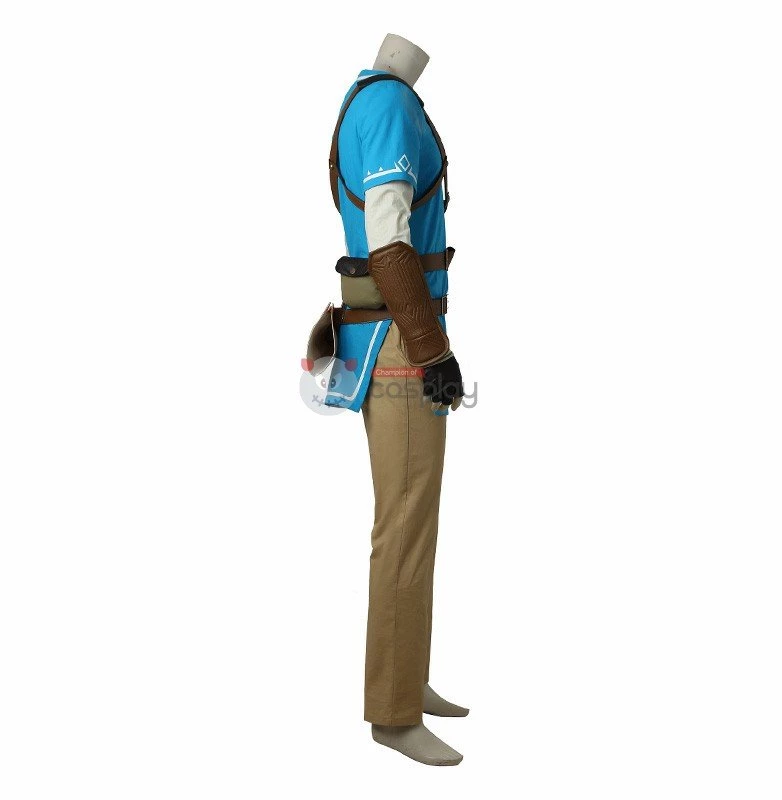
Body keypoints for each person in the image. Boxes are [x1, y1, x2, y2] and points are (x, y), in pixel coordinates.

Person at [326, 33, 468, 766]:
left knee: (414, 521)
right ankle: (393, 713)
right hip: (402, 345)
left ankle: (406, 677)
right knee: (406, 525)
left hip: (389, 338)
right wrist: (432, 349)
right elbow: (388, 242)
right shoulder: (387, 105)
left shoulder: (372, 97)